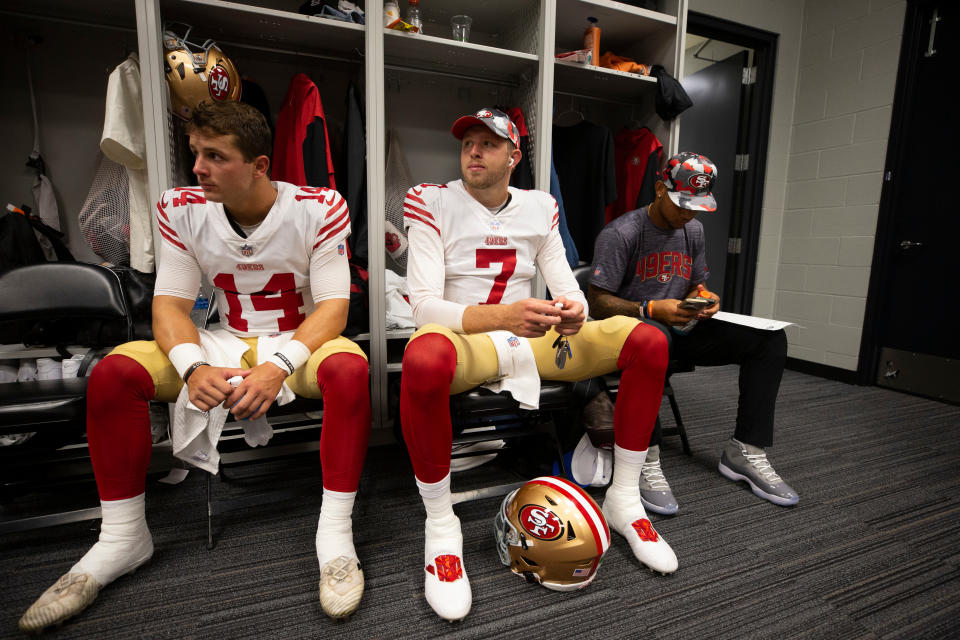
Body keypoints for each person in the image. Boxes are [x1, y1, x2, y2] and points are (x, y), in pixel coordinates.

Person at [19, 101, 372, 632]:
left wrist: (278, 363)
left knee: (350, 370)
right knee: (115, 372)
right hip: (224, 337)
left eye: (215, 156)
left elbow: (333, 308)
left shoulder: (318, 206)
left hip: (298, 340)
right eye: (195, 154)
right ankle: (122, 538)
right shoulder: (181, 207)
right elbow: (170, 305)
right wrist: (189, 366)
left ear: (258, 166)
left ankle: (335, 534)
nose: (199, 167)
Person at [400, 108, 677, 622]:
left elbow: (567, 286)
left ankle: (624, 498)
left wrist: (573, 309)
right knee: (422, 354)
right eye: (468, 144)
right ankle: (441, 526)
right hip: (469, 337)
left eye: (488, 143)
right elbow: (423, 306)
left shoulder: (540, 205)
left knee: (648, 341)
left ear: (514, 155)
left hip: (530, 335)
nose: (474, 152)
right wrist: (501, 314)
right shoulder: (431, 200)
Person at [588, 151, 798, 516]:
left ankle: (745, 450)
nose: (689, 213)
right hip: (636, 334)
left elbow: (696, 285)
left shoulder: (694, 230)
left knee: (769, 339)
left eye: (697, 206)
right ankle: (642, 458)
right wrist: (649, 309)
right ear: (659, 189)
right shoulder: (621, 233)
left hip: (681, 328)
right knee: (652, 337)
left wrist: (704, 299)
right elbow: (597, 302)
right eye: (682, 204)